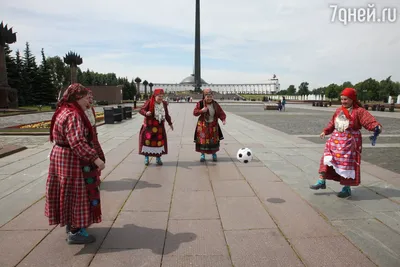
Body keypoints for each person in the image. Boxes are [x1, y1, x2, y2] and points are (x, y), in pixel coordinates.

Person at [45, 83, 105, 244]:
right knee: (78, 193)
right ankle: (75, 231)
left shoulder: (63, 110)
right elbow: (77, 142)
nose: (89, 101)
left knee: (67, 192)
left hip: (61, 156)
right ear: (78, 97)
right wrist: (95, 159)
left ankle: (72, 223)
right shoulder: (73, 114)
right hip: (71, 159)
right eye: (86, 97)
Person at [310, 88, 382, 198]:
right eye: (342, 99)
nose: (343, 101)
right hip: (335, 141)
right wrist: (326, 131)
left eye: (346, 99)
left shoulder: (359, 111)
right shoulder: (339, 111)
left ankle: (346, 188)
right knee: (327, 158)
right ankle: (321, 180)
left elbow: (368, 121)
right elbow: (332, 123)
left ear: (352, 99)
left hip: (349, 143)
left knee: (347, 165)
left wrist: (375, 127)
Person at [139, 88, 173, 165]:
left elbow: (167, 115)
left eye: (162, 96)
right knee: (147, 142)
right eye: (159, 96)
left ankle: (158, 158)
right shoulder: (149, 102)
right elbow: (141, 110)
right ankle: (146, 158)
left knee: (159, 143)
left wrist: (170, 123)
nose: (160, 98)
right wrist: (146, 113)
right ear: (154, 96)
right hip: (149, 127)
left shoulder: (164, 104)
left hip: (159, 127)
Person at [193, 88, 226, 162]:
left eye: (210, 96)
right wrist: (201, 110)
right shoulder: (200, 103)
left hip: (213, 125)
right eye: (207, 96)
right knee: (202, 140)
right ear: (204, 96)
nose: (209, 98)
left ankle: (214, 154)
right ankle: (202, 155)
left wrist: (223, 119)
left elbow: (220, 112)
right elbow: (195, 112)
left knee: (213, 140)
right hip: (203, 126)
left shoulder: (215, 104)